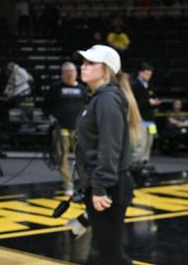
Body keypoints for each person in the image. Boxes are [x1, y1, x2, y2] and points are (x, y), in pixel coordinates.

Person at [75, 45, 141, 265]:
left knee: (111, 255)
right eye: (83, 62)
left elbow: (109, 148)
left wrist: (100, 187)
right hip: (101, 183)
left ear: (106, 70)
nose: (83, 67)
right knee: (102, 252)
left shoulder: (107, 100)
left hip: (108, 187)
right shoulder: (96, 98)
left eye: (90, 63)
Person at [43, 62, 86, 195]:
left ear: (76, 73)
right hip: (61, 128)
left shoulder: (82, 89)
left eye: (71, 71)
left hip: (79, 129)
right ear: (62, 74)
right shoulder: (55, 88)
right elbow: (45, 106)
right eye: (66, 71)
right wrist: (50, 117)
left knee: (84, 157)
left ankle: (85, 183)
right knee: (62, 157)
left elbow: (87, 106)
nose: (69, 74)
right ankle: (68, 184)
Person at [131, 62, 159, 165]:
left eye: (150, 74)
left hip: (150, 120)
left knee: (149, 143)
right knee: (140, 144)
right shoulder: (134, 85)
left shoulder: (150, 86)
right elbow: (133, 104)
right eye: (147, 74)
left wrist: (155, 103)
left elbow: (154, 99)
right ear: (140, 73)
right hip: (139, 119)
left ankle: (144, 163)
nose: (149, 76)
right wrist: (148, 102)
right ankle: (134, 164)